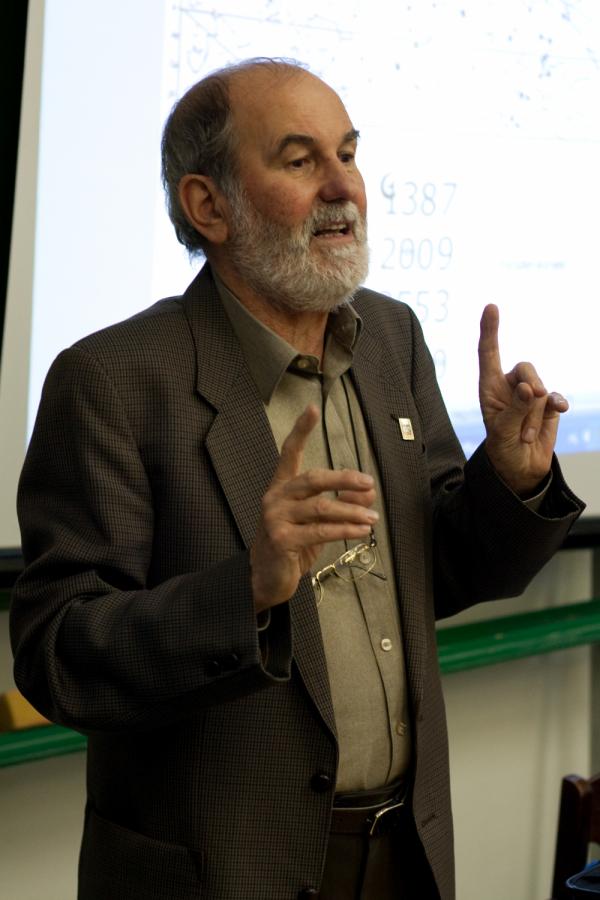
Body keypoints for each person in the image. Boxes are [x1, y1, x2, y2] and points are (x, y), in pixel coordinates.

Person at [10, 58, 583, 900]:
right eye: (300, 160)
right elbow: (57, 655)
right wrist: (245, 590)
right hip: (221, 873)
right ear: (207, 205)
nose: (343, 186)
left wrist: (510, 480)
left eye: (347, 153)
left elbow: (441, 569)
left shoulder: (390, 336)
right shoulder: (113, 381)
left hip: (406, 854)